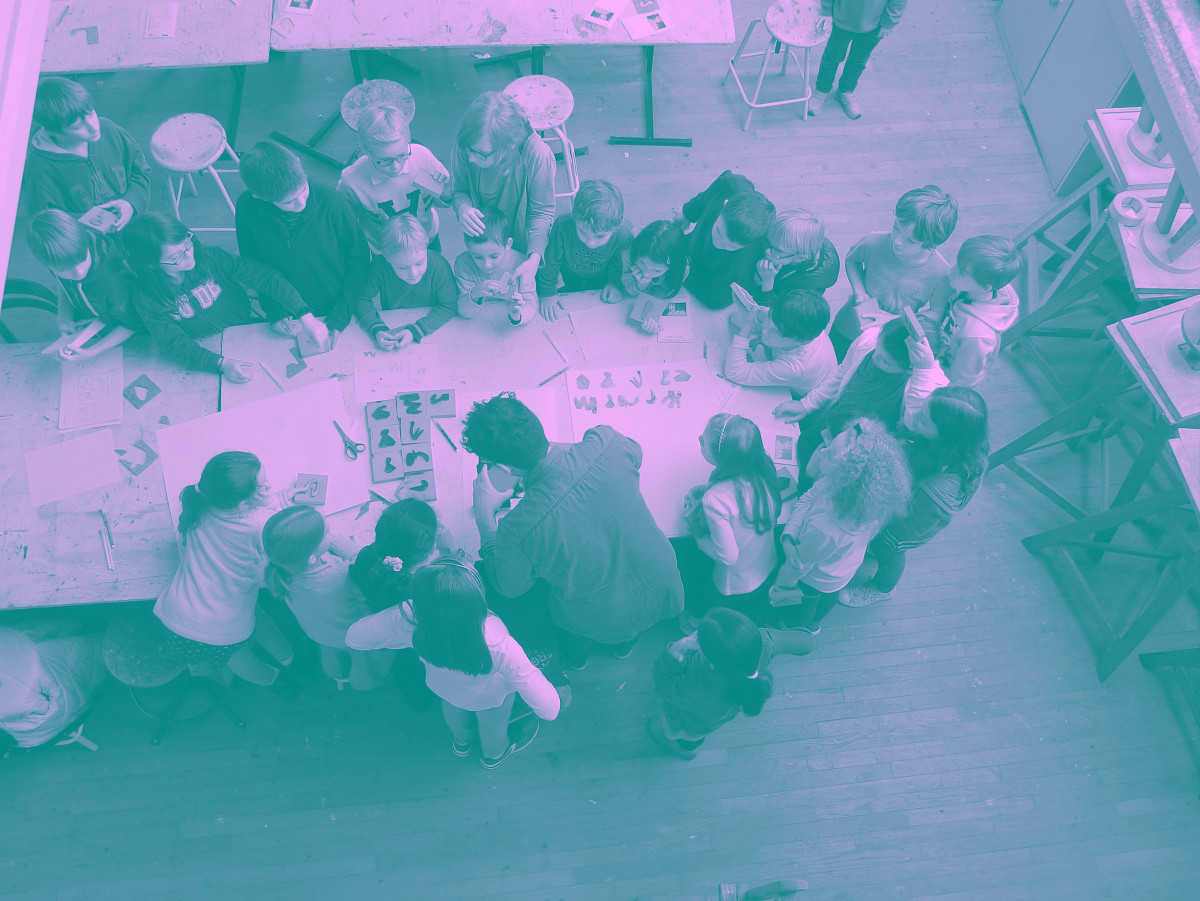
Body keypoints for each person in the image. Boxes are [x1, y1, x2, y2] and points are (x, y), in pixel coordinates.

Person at [463, 393, 684, 671]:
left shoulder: (517, 529)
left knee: (575, 640)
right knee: (628, 634)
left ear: (505, 468)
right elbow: (635, 454)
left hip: (594, 616)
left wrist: (484, 515)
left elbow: (510, 587)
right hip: (661, 587)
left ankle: (577, 663)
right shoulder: (606, 442)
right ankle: (623, 649)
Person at [347, 559, 560, 768]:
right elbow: (549, 709)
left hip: (445, 689)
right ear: (477, 600)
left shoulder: (409, 617)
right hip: (490, 697)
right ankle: (494, 754)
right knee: (493, 725)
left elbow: (354, 637)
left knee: (454, 711)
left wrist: (398, 636)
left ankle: (462, 741)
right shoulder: (499, 644)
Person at [123, 212, 326, 382]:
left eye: (187, 243)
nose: (189, 255)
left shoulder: (212, 258)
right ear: (151, 264)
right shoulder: (145, 296)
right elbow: (173, 342)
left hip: (245, 327)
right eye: (175, 257)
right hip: (203, 349)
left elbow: (266, 278)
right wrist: (219, 364)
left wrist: (303, 314)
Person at [153, 452, 295, 687]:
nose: (268, 484)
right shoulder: (258, 522)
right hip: (224, 629)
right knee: (241, 654)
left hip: (175, 618)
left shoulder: (198, 506)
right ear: (242, 502)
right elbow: (281, 530)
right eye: (262, 483)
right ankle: (282, 671)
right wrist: (272, 501)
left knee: (240, 643)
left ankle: (277, 672)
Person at [845, 387, 989, 606]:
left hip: (905, 528)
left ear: (946, 435)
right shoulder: (960, 444)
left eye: (923, 420)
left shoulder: (940, 493)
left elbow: (906, 527)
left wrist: (881, 535)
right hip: (913, 497)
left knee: (889, 552)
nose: (914, 419)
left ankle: (883, 588)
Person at [768, 419, 911, 632]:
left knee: (804, 603)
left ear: (845, 475)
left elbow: (798, 565)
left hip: (814, 576)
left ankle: (788, 624)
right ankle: (815, 623)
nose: (821, 452)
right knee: (827, 600)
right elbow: (810, 495)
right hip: (843, 570)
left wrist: (781, 586)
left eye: (829, 454)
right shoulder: (863, 497)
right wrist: (790, 532)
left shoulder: (824, 528)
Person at [776, 316, 949, 476]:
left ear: (911, 369)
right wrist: (807, 404)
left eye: (884, 361)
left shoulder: (930, 386)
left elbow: (914, 423)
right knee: (805, 444)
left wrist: (923, 371)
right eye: (877, 349)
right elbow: (841, 373)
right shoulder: (870, 339)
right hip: (836, 422)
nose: (874, 358)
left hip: (862, 451)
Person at [235, 140, 371, 334]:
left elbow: (359, 260)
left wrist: (340, 316)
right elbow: (254, 265)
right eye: (289, 201)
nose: (301, 202)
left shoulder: (333, 203)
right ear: (260, 197)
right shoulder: (246, 209)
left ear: (299, 164)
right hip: (288, 312)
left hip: (339, 306)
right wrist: (276, 311)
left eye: (303, 190)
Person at [263, 505, 392, 691]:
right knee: (365, 659)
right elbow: (359, 560)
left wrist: (318, 541)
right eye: (326, 532)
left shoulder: (281, 573)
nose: (330, 532)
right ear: (311, 558)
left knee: (330, 649)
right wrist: (336, 541)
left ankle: (334, 673)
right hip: (352, 635)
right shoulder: (341, 576)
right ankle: (363, 684)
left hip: (319, 633)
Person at [829, 185, 957, 359]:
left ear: (931, 244)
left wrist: (895, 320)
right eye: (896, 227)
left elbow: (936, 312)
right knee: (836, 355)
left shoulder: (941, 273)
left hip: (892, 337)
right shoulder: (874, 242)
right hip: (850, 323)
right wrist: (860, 293)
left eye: (910, 241)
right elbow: (852, 260)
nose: (897, 241)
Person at [677, 415, 782, 626]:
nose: (699, 440)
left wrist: (698, 534)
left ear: (723, 458)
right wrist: (710, 488)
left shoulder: (715, 499)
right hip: (768, 565)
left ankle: (697, 624)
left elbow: (729, 557)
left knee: (697, 574)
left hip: (735, 584)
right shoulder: (764, 469)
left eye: (703, 443)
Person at [451, 92, 557, 293]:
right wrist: (463, 207)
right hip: (486, 243)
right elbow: (460, 189)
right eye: (468, 152)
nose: (471, 159)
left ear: (508, 146)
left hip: (524, 242)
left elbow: (541, 214)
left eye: (480, 155)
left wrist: (533, 260)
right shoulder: (466, 145)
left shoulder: (537, 155)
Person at [348, 497, 445, 709]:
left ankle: (419, 704)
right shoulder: (431, 583)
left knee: (407, 673)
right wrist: (453, 552)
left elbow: (355, 578)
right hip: (424, 642)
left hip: (393, 640)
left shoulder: (367, 555)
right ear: (429, 552)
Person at [20, 77, 151, 232]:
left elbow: (141, 171)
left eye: (90, 114)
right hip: (90, 249)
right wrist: (90, 225)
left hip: (137, 228)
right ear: (53, 131)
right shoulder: (40, 169)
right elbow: (45, 221)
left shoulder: (110, 130)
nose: (93, 127)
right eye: (77, 126)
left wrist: (131, 203)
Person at [646, 608, 774, 760]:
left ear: (711, 661)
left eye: (699, 638)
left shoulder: (693, 690)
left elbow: (662, 685)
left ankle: (688, 752)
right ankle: (689, 747)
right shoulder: (762, 647)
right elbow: (805, 643)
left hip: (689, 720)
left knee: (687, 736)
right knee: (698, 732)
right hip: (713, 718)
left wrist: (675, 651)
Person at [26, 209, 141, 360]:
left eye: (82, 260)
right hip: (96, 327)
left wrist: (93, 351)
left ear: (86, 241)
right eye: (63, 269)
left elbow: (133, 323)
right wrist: (64, 315)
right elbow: (63, 282)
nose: (78, 273)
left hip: (126, 339)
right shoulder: (61, 258)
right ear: (47, 265)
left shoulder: (113, 282)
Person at [337, 105, 451, 254]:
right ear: (365, 150)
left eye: (402, 155)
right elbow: (344, 220)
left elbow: (444, 198)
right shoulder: (352, 181)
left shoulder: (421, 157)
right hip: (385, 251)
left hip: (428, 239)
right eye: (385, 160)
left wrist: (447, 194)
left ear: (408, 140)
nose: (396, 166)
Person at [919, 236, 1022, 388]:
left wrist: (931, 379)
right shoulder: (975, 287)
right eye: (956, 264)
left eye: (960, 272)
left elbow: (962, 379)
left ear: (984, 287)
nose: (952, 269)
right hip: (940, 348)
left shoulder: (977, 337)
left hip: (943, 378)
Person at [354, 213, 458, 351]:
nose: (413, 273)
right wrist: (377, 328)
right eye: (402, 267)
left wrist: (415, 331)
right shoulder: (379, 266)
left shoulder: (439, 266)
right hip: (394, 323)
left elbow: (449, 305)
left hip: (431, 329)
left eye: (420, 262)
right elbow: (361, 298)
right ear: (387, 257)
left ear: (426, 243)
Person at [678, 170, 776, 310]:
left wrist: (684, 269)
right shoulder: (730, 185)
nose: (718, 243)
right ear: (725, 204)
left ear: (748, 245)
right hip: (689, 249)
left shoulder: (741, 266)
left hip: (700, 274)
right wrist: (687, 213)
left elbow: (716, 299)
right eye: (718, 231)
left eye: (730, 246)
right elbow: (710, 193)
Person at [536, 179, 632, 320]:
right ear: (575, 217)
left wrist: (614, 282)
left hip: (603, 282)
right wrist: (548, 292)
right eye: (581, 230)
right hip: (571, 278)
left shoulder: (623, 235)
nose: (590, 241)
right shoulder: (563, 226)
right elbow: (550, 262)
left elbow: (619, 263)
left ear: (616, 226)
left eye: (599, 236)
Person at [725, 289, 836, 397]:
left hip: (805, 395)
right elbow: (735, 317)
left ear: (802, 341)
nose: (765, 331)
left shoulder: (796, 367)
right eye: (769, 318)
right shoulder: (790, 317)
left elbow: (735, 372)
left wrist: (747, 325)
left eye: (777, 332)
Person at [810, 0, 909, 120]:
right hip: (841, 19)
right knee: (832, 57)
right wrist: (826, 10)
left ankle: (845, 90)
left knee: (858, 61)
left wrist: (889, 22)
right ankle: (821, 89)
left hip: (874, 24)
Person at [453, 206, 540, 327]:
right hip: (475, 324)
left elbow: (531, 303)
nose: (486, 265)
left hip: (506, 324)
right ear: (467, 246)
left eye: (494, 256)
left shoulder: (521, 264)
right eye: (477, 257)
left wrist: (518, 315)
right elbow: (463, 311)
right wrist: (475, 293)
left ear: (508, 244)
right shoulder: (463, 265)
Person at [603, 219, 690, 334]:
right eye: (642, 264)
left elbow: (668, 291)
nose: (647, 273)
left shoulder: (681, 269)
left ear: (672, 267)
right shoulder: (628, 255)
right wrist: (642, 284)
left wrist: (654, 314)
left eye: (657, 270)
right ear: (637, 254)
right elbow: (630, 292)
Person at [748, 209, 841, 304]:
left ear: (800, 257)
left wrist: (767, 281)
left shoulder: (805, 290)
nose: (766, 251)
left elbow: (774, 310)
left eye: (777, 250)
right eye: (767, 241)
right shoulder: (798, 243)